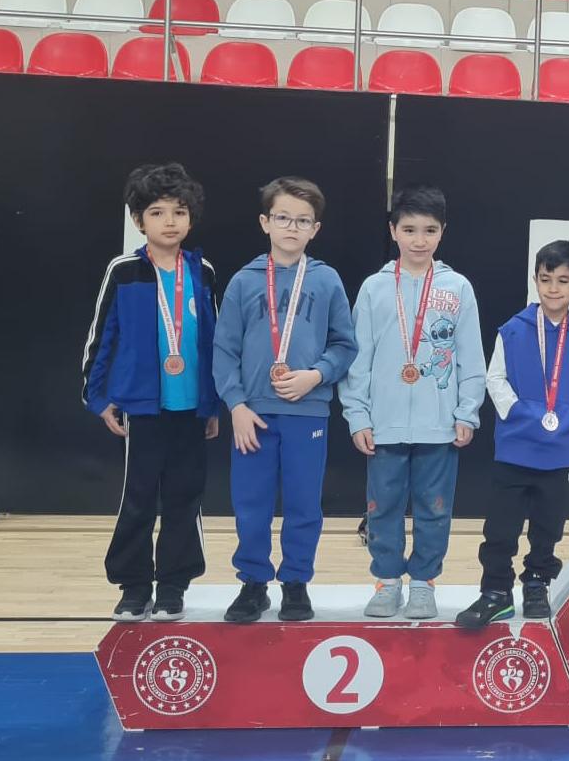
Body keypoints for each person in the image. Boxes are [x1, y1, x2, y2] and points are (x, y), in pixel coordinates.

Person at [212, 177, 358, 624]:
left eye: (302, 220)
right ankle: (253, 584)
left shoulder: (326, 280)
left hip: (306, 412)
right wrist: (236, 405)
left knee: (303, 503)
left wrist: (316, 375)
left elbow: (344, 344)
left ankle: (295, 583)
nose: (292, 227)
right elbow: (224, 350)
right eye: (283, 218)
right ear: (265, 222)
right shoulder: (244, 281)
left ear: (315, 228)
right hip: (252, 415)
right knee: (250, 503)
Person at [81, 163, 221, 623]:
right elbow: (100, 337)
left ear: (191, 218)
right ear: (139, 220)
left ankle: (174, 585)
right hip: (141, 408)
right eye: (157, 212)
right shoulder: (123, 271)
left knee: (185, 496)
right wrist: (98, 397)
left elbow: (214, 341)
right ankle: (134, 585)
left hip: (191, 407)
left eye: (179, 212)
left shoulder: (203, 271)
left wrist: (213, 402)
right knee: (138, 496)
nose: (169, 222)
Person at [341, 185, 484, 620]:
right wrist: (357, 415)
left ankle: (423, 583)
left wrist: (467, 411)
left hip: (439, 425)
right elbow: (358, 359)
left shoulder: (457, 287)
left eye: (429, 230)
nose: (419, 240)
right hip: (383, 423)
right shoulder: (374, 288)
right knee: (381, 507)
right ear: (393, 231)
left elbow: (471, 355)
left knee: (434, 508)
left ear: (443, 232)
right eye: (409, 230)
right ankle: (386, 581)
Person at [459, 241, 569, 626]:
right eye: (545, 279)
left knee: (548, 524)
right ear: (535, 280)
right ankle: (496, 591)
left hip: (558, 448)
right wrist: (521, 413)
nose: (553, 288)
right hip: (515, 447)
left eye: (563, 281)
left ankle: (537, 583)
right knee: (501, 526)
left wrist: (566, 416)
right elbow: (495, 378)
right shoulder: (513, 330)